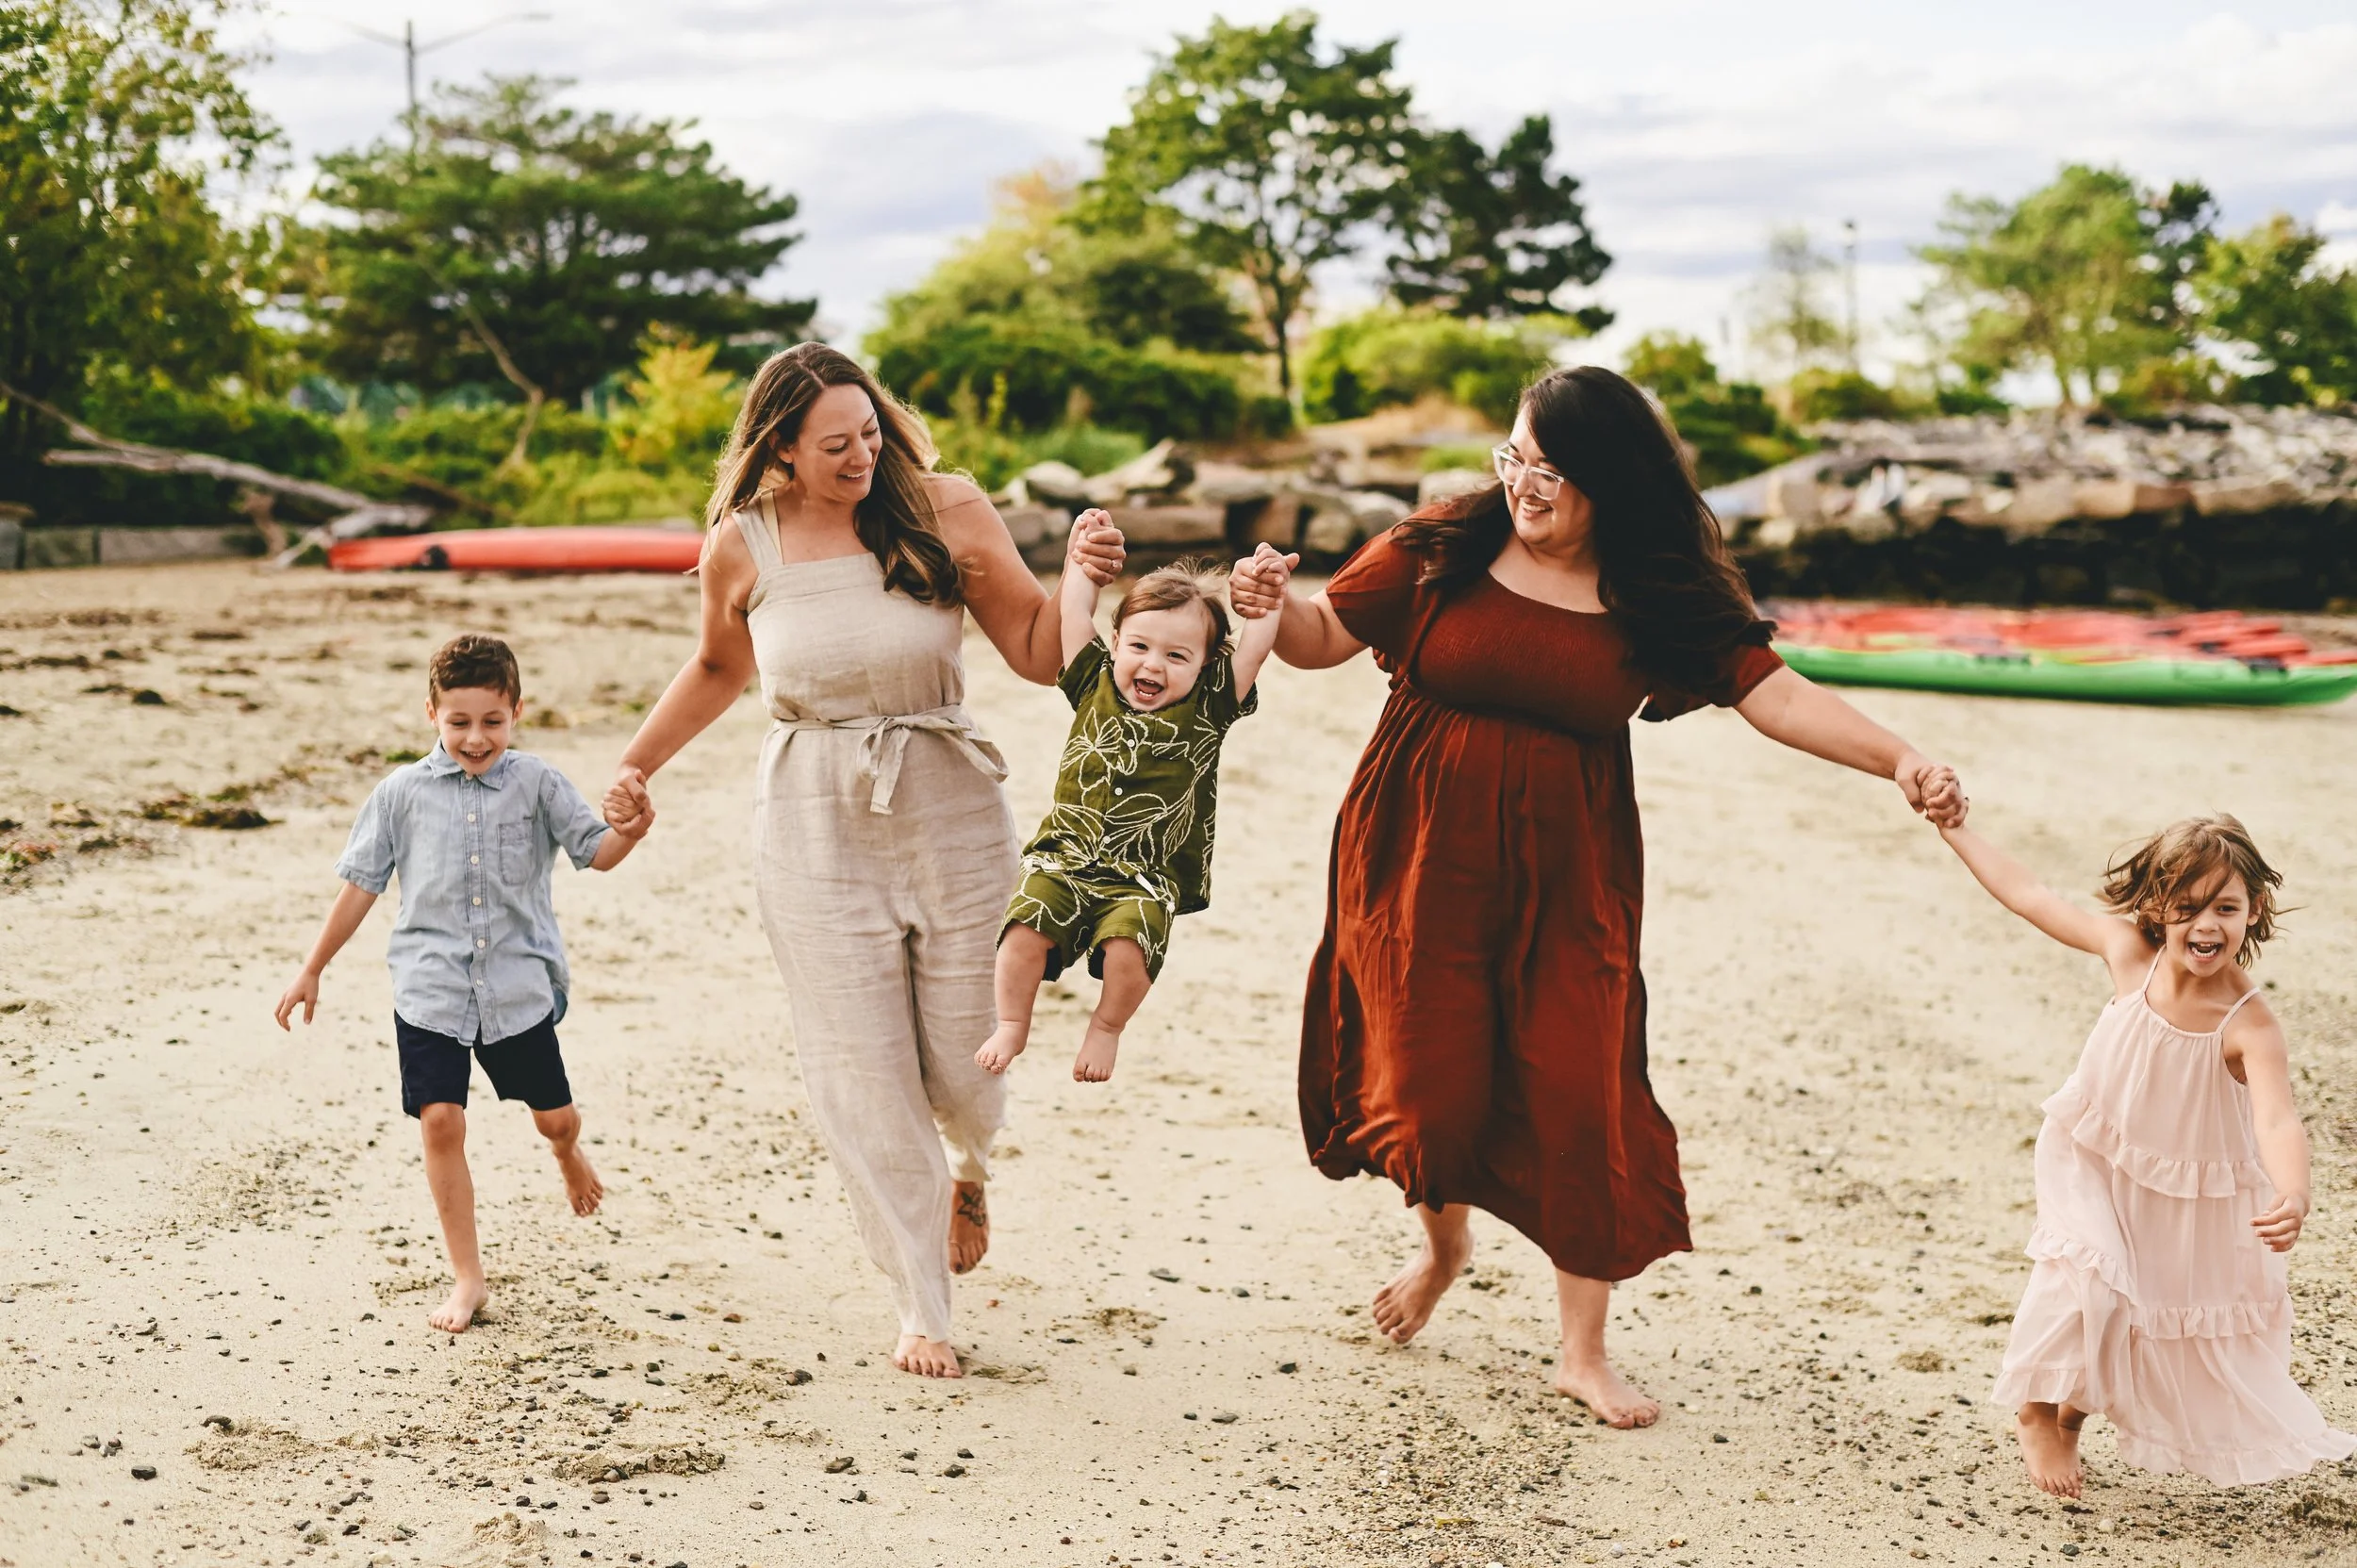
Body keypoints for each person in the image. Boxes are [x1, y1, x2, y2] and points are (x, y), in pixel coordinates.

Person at [1228, 365, 1964, 1428]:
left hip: (1571, 873)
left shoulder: (1653, 588)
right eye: (1512, 457)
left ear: (1610, 481)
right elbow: (1320, 638)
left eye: (1550, 470)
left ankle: (1581, 1349)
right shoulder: (1444, 544)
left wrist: (1899, 757)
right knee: (1430, 1087)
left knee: (1577, 1085)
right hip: (1415, 855)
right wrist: (1270, 607)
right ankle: (1444, 1249)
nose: (1523, 486)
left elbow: (1777, 693)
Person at [602, 343, 1124, 1379]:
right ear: (780, 450)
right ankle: (920, 1306)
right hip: (811, 820)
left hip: (950, 803)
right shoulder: (742, 543)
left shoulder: (946, 507)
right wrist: (635, 765)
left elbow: (1031, 647)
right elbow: (716, 666)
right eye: (833, 445)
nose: (860, 457)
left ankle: (968, 1168)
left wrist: (1082, 585)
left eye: (871, 434)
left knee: (968, 1052)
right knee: (860, 1071)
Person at [1937, 812, 2353, 1494]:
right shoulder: (2132, 955)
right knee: (2088, 1283)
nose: (2206, 924)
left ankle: (2075, 1412)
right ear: (2156, 907)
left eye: (2226, 906)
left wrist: (2294, 1192)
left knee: (2141, 1316)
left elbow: (2278, 1118)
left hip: (2184, 1189)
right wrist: (1956, 829)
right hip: (2093, 1155)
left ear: (2255, 909)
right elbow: (2029, 893)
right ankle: (2040, 1412)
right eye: (2187, 907)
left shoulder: (2250, 1022)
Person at [272, 634, 651, 1334]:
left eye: (492, 721)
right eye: (459, 722)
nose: (476, 738)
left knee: (554, 1117)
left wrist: (632, 830)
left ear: (516, 711)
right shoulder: (399, 794)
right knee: (441, 1121)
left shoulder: (538, 782)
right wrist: (312, 966)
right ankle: (468, 1276)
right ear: (432, 714)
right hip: (430, 987)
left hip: (517, 990)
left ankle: (567, 1151)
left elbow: (596, 852)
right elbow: (361, 884)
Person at [977, 544, 1287, 1083]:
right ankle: (1011, 1022)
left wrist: (1269, 595)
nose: (1152, 664)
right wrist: (1080, 565)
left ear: (1208, 665)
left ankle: (1106, 1027)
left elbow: (1255, 650)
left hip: (1144, 879)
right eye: (1139, 646)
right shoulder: (1093, 683)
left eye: (1177, 656)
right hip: (1063, 860)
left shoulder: (1210, 705)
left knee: (1130, 948)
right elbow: (1074, 616)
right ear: (1115, 643)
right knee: (1022, 932)